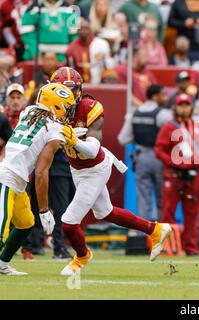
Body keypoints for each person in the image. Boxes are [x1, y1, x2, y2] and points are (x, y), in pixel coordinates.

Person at [50, 67, 172, 275]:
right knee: (106, 212)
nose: (68, 95)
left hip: (96, 167)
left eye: (72, 90)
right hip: (77, 168)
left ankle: (82, 256)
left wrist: (72, 140)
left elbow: (92, 150)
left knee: (69, 222)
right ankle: (156, 230)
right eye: (63, 90)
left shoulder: (90, 107)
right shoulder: (52, 112)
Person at [0, 83, 75, 275]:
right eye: (66, 106)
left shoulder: (28, 111)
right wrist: (44, 209)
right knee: (1, 233)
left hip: (17, 178)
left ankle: (2, 264)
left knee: (25, 223)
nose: (68, 112)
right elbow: (41, 171)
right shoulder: (55, 129)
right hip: (7, 176)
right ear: (56, 105)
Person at [154, 93, 199, 256]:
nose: (184, 108)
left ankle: (191, 247)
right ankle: (168, 246)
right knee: (168, 211)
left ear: (191, 107)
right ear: (175, 107)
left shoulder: (197, 126)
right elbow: (159, 150)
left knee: (192, 212)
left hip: (193, 174)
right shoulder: (169, 127)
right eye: (181, 105)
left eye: (186, 105)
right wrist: (174, 162)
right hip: (174, 174)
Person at [118, 84, 172, 222]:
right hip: (160, 158)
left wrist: (138, 137)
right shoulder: (163, 114)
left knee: (143, 199)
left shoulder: (133, 114)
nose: (165, 98)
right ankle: (161, 232)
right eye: (162, 95)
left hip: (141, 157)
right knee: (162, 198)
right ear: (155, 96)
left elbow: (122, 139)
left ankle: (143, 234)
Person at [66, 18, 115, 84]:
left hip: (99, 84)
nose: (83, 31)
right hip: (80, 85)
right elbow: (70, 70)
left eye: (86, 28)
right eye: (81, 28)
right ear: (77, 30)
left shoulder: (102, 44)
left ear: (90, 30)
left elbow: (109, 67)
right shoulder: (71, 48)